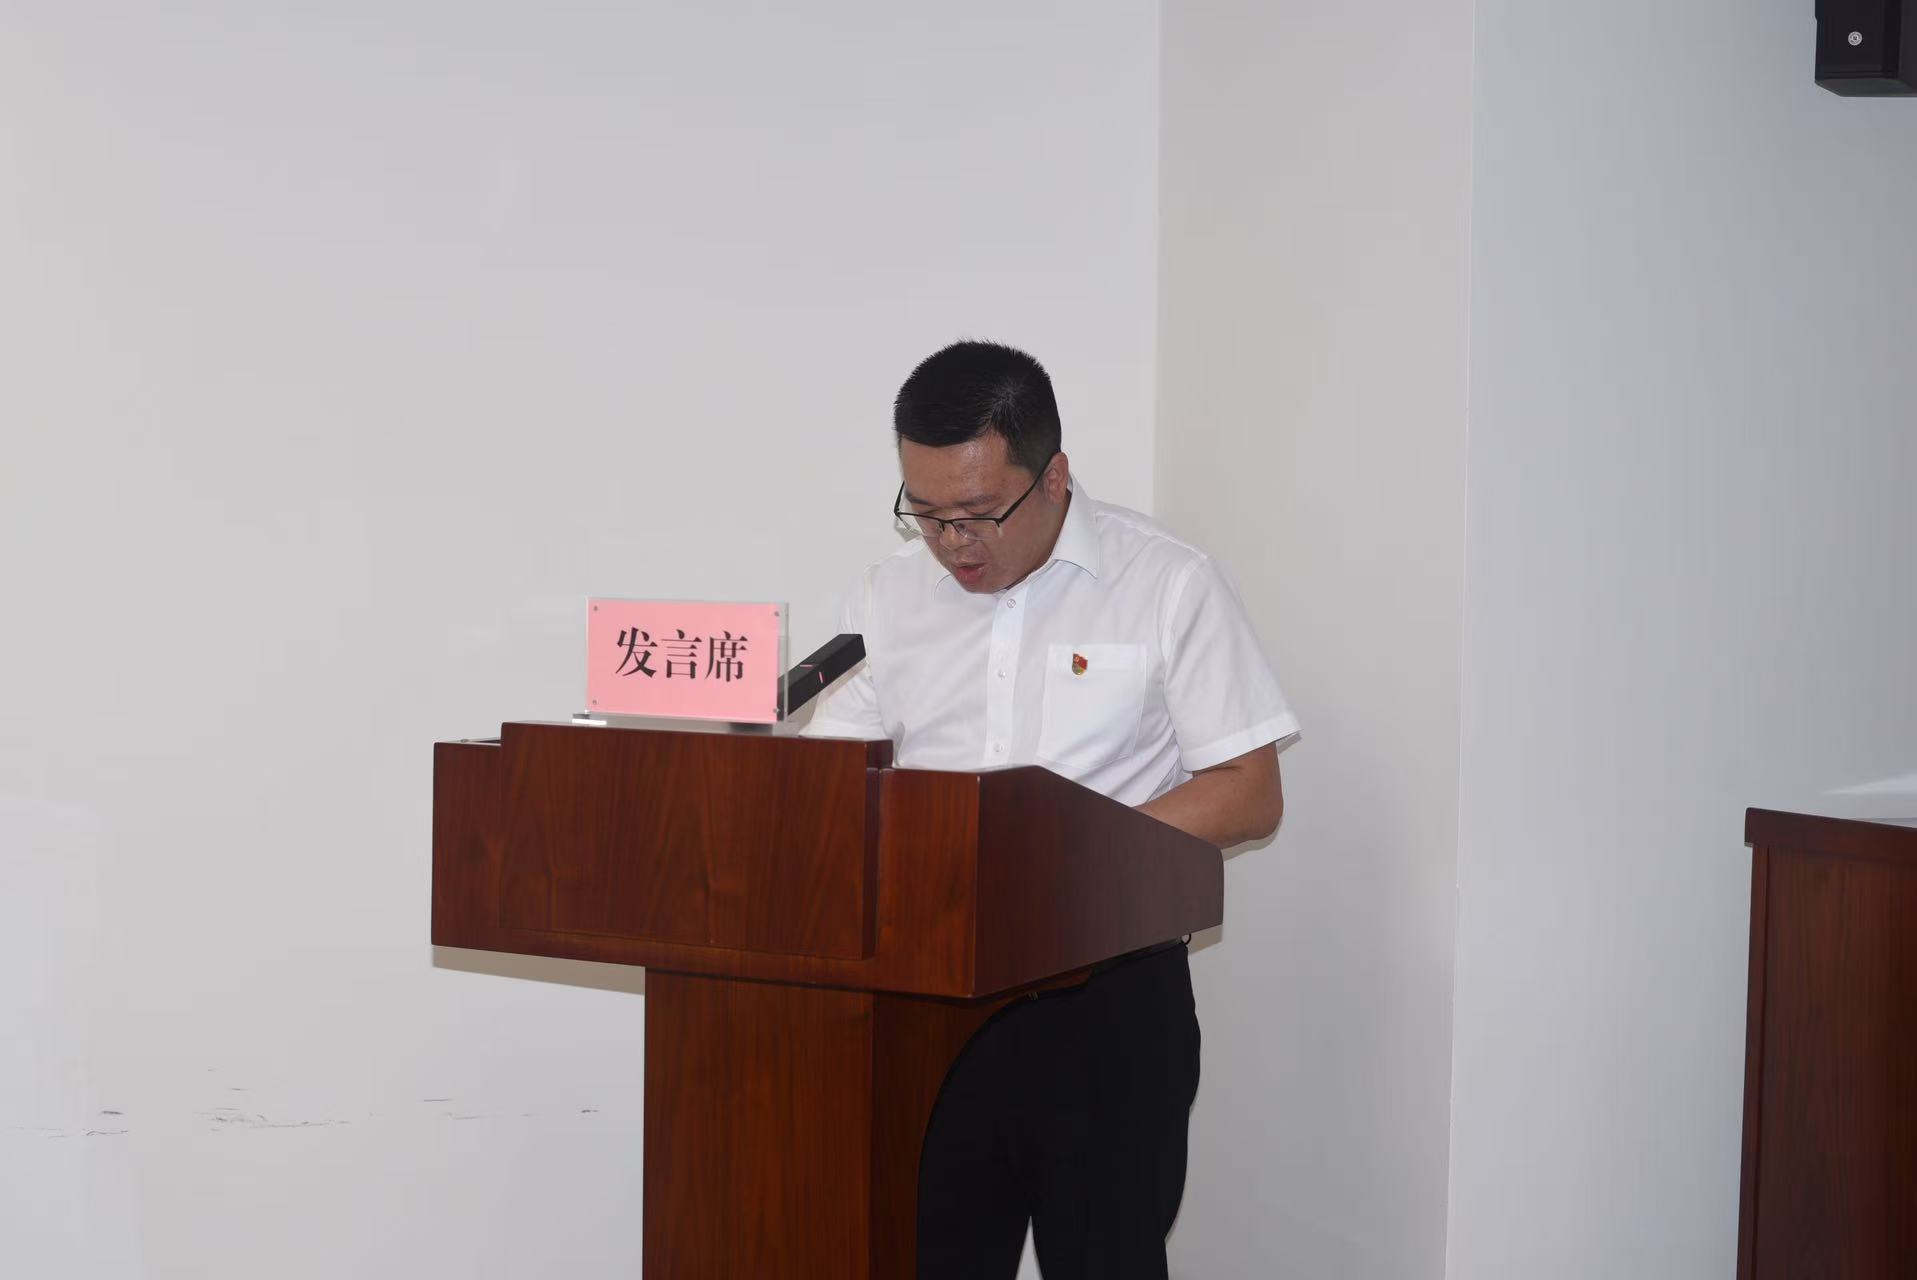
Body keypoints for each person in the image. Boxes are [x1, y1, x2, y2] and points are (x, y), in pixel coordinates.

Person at [804, 339, 1298, 1279]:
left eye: (979, 513)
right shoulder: (887, 595)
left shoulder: (1165, 582)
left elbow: (1247, 788)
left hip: (1104, 998)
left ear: (1054, 476)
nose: (954, 542)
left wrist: (1059, 855)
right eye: (927, 515)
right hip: (925, 997)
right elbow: (834, 783)